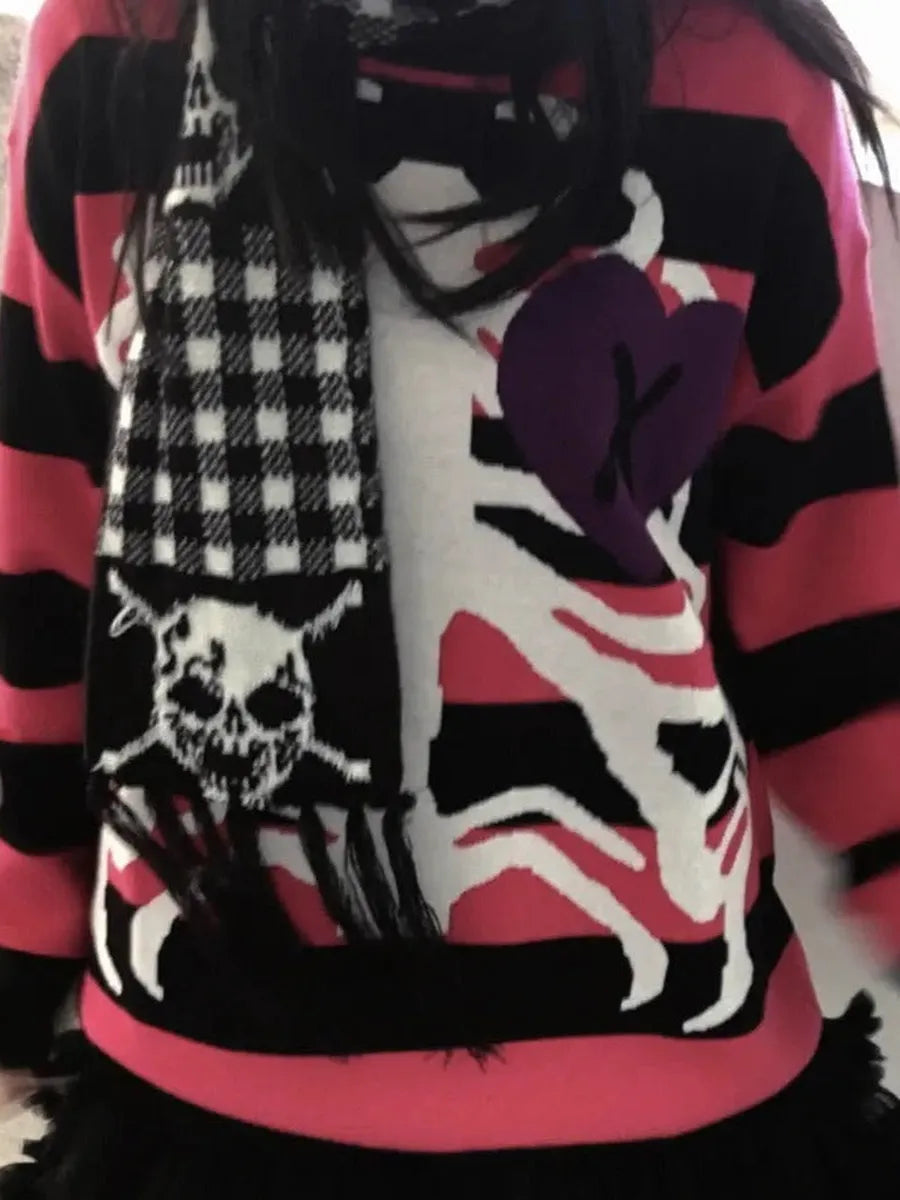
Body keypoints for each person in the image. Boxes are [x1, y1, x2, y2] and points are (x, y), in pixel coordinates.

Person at [0, 0, 898, 1194]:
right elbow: (48, 553)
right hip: (203, 1066)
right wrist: (17, 936)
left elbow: (834, 596)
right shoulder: (118, 50)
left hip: (682, 1080)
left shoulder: (750, 78)